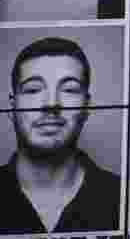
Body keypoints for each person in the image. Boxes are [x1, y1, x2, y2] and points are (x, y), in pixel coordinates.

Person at [1, 37, 120, 234]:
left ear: (86, 107)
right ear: (12, 107)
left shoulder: (126, 196)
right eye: (33, 89)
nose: (51, 103)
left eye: (69, 90)